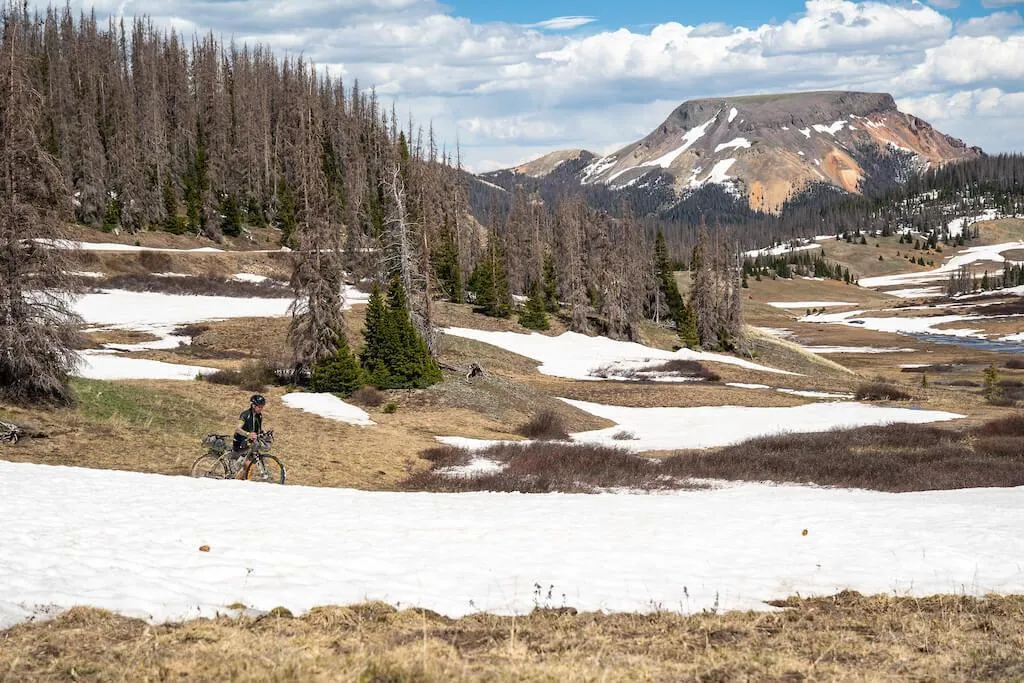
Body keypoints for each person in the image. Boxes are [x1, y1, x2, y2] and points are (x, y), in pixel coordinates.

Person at [231, 394, 267, 464]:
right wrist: (248, 434)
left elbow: (259, 428)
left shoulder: (259, 416)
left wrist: (265, 433)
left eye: (262, 407)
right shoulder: (245, 415)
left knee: (251, 465)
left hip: (250, 444)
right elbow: (237, 429)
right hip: (240, 443)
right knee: (247, 465)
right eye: (259, 407)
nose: (261, 409)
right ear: (253, 405)